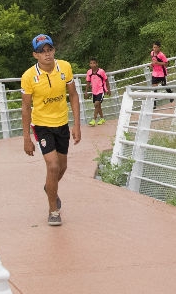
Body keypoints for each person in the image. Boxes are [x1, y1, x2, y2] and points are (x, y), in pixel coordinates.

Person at [21, 34, 82, 226]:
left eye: (49, 50)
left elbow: (73, 95)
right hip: (42, 125)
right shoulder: (29, 76)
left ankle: (49, 188)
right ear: (35, 55)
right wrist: (26, 138)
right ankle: (53, 211)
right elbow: (25, 108)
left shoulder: (65, 67)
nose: (47, 54)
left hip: (62, 124)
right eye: (42, 51)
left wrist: (77, 125)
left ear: (54, 50)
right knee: (53, 166)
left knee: (62, 167)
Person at [85, 58, 110, 126]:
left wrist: (108, 89)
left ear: (97, 64)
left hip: (101, 90)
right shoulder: (89, 72)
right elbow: (88, 82)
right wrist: (86, 91)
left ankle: (94, 119)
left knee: (96, 104)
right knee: (98, 106)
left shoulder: (101, 71)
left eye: (94, 63)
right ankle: (102, 118)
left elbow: (106, 80)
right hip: (94, 91)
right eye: (91, 63)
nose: (92, 64)